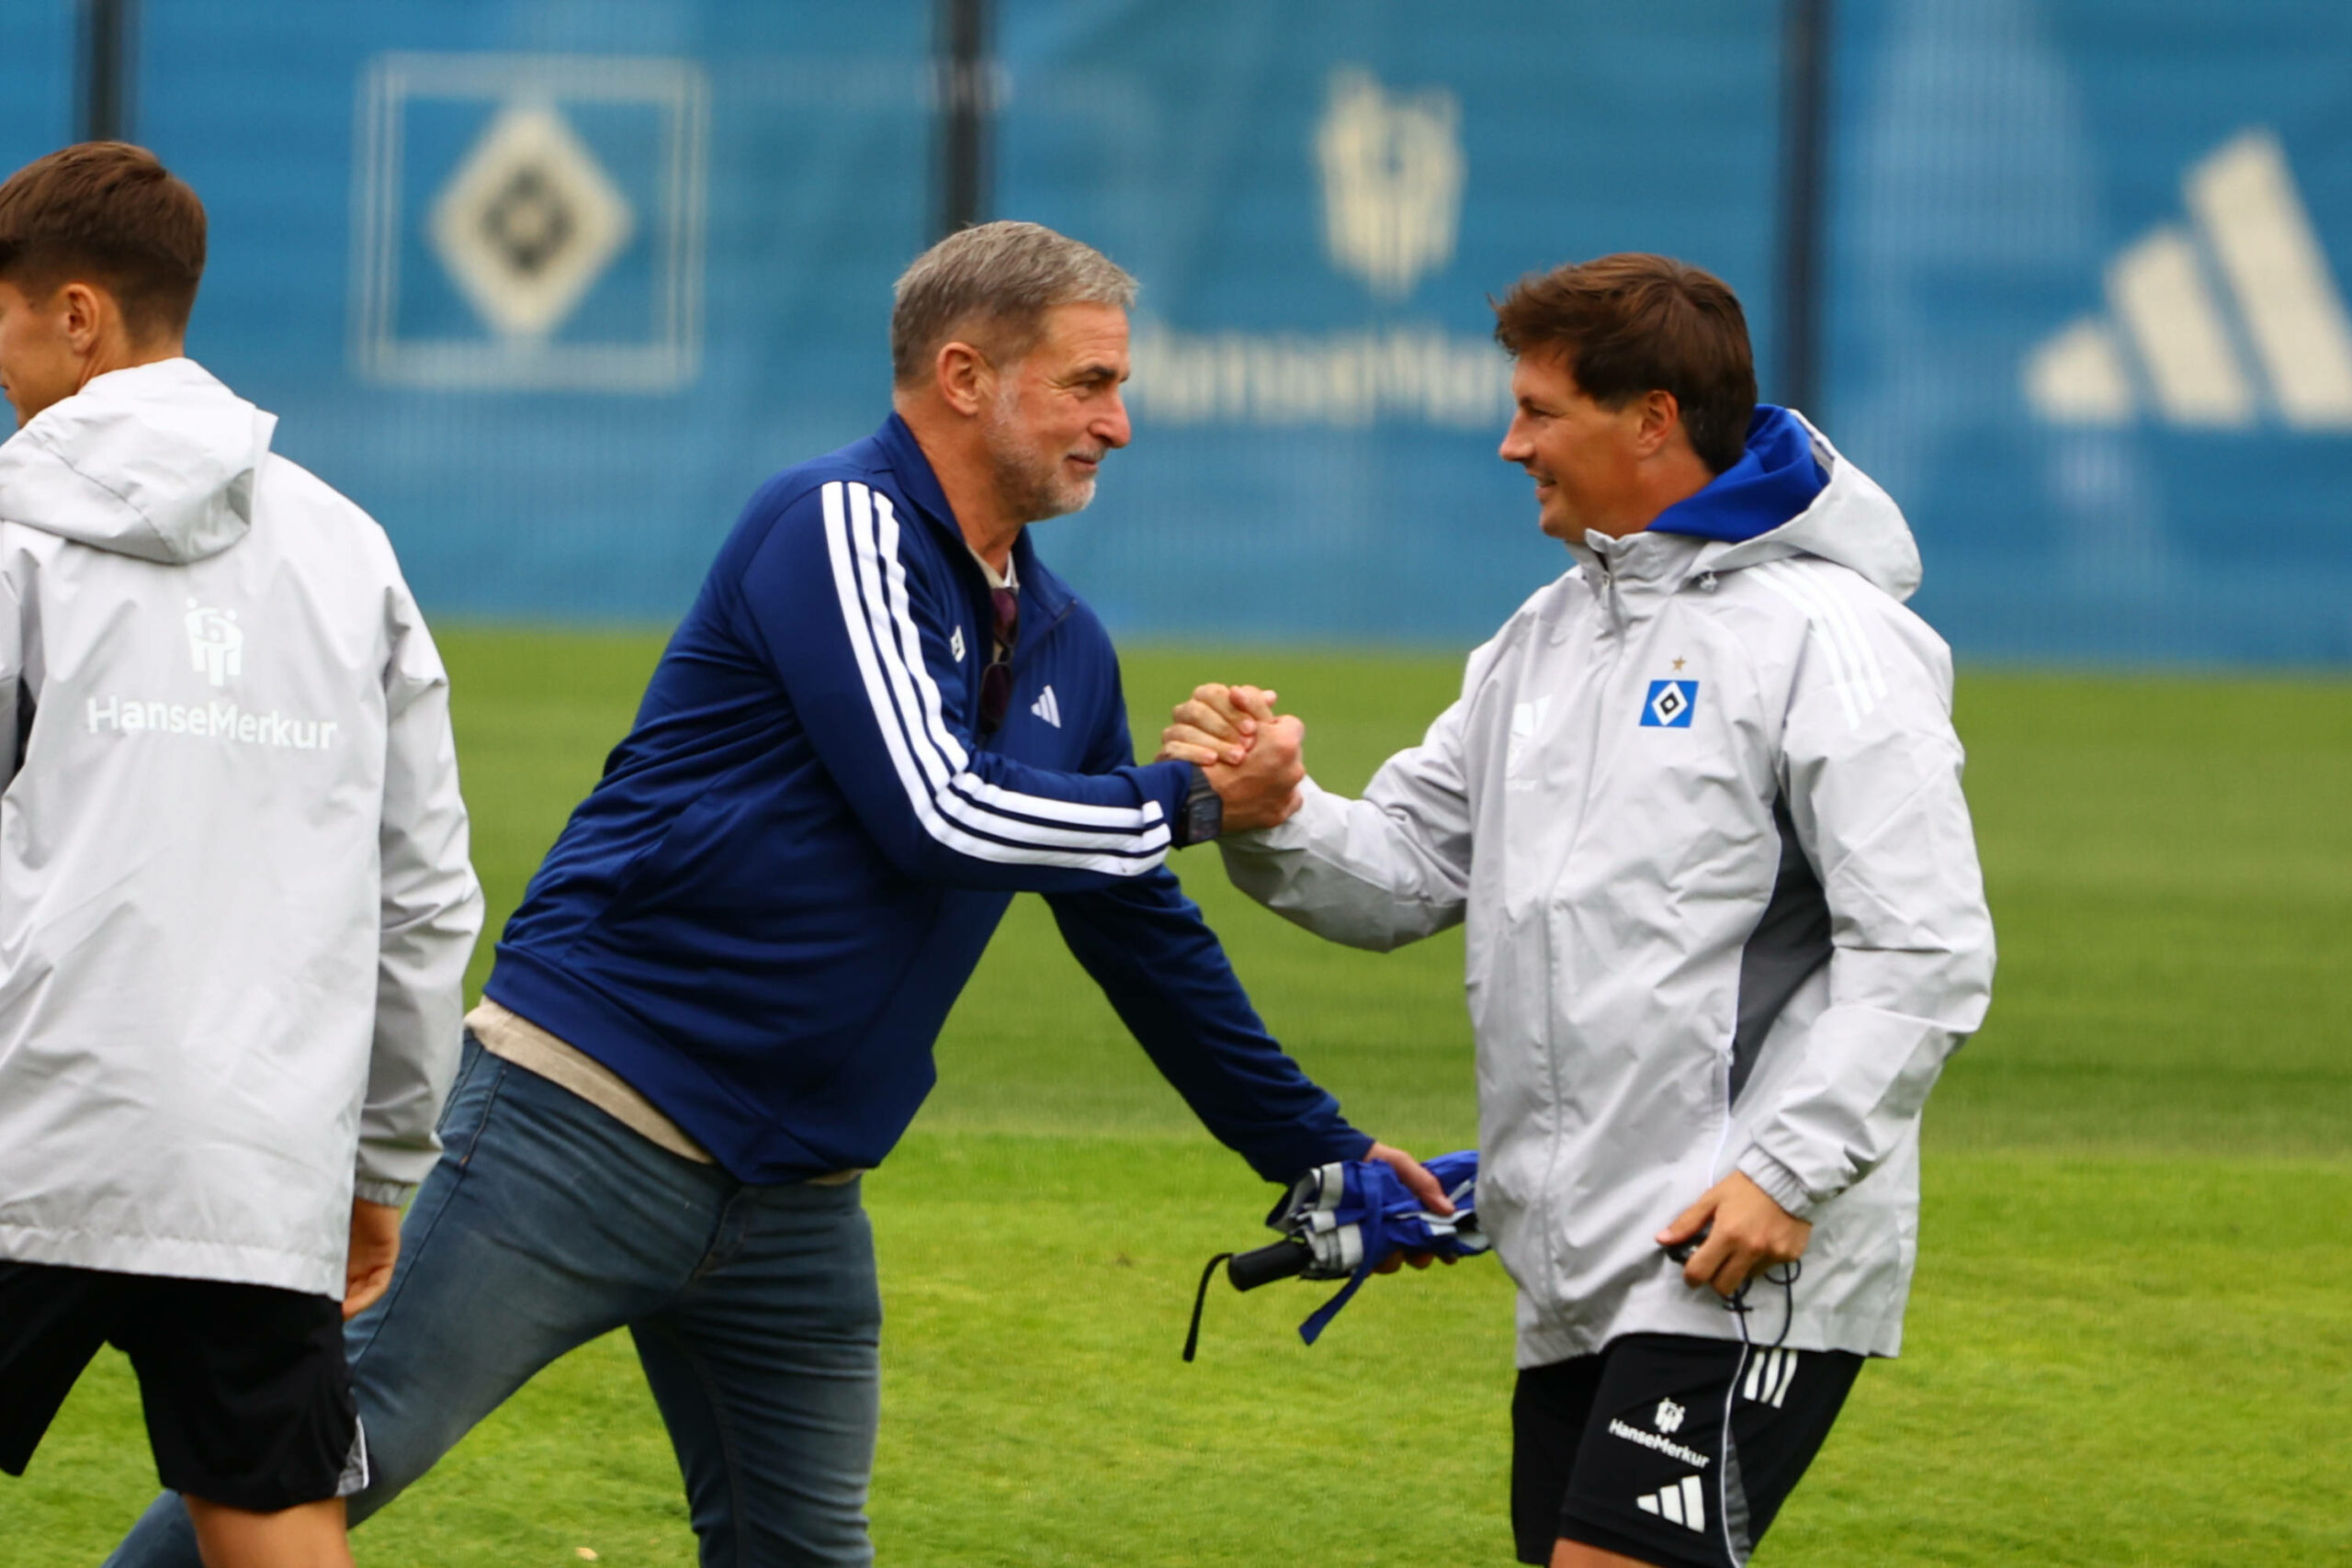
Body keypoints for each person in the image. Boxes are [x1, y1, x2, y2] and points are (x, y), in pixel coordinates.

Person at [111, 219, 1442, 1568]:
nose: (1120, 422)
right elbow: (938, 810)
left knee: (803, 1555)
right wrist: (1195, 800)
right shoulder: (838, 522)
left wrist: (1309, 1145)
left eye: (1120, 386)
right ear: (965, 375)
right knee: (322, 1461)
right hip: (585, 1120)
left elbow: (1140, 928)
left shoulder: (1065, 643)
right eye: (1090, 383)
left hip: (798, 1197)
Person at [1161, 254, 1996, 1568]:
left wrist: (1784, 1175)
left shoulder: (1831, 636)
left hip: (1734, 1251)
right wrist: (1275, 810)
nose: (1513, 446)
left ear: (1653, 419)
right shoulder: (1540, 640)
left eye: (1540, 412)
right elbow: (1405, 871)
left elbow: (1923, 944)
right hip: (1570, 1264)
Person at [0, 143, 482, 1567]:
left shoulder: (11, 540)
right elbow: (425, 895)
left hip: (31, 1129)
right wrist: (381, 1160)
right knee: (274, 1517)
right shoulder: (349, 551)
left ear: (77, 315)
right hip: (255, 1160)